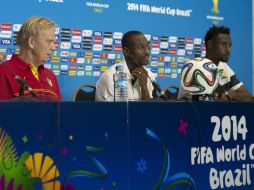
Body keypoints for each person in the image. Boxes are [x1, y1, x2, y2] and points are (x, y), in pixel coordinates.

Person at [178, 25, 252, 101]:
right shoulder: (195, 66)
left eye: (230, 45)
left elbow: (248, 97)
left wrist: (229, 94)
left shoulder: (224, 67)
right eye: (224, 44)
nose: (228, 50)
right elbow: (193, 102)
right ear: (210, 44)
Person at [0, 16, 61, 101]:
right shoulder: (3, 72)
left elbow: (59, 113)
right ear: (31, 42)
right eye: (49, 41)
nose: (53, 47)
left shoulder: (51, 76)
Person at [95, 30, 156, 101]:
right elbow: (118, 110)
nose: (147, 52)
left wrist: (144, 87)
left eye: (148, 47)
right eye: (141, 47)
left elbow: (149, 110)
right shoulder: (111, 77)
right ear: (126, 51)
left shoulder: (149, 75)